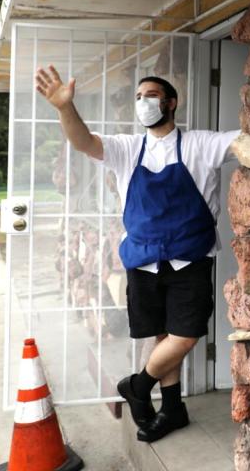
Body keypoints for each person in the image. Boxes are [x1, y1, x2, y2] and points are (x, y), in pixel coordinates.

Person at [34, 66, 239, 443]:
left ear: (171, 103)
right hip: (142, 259)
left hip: (189, 259)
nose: (143, 102)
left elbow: (241, 141)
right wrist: (65, 108)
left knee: (187, 334)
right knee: (160, 335)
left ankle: (138, 386)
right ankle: (173, 409)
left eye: (152, 95)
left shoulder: (199, 144)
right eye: (139, 96)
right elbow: (83, 142)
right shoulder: (128, 147)